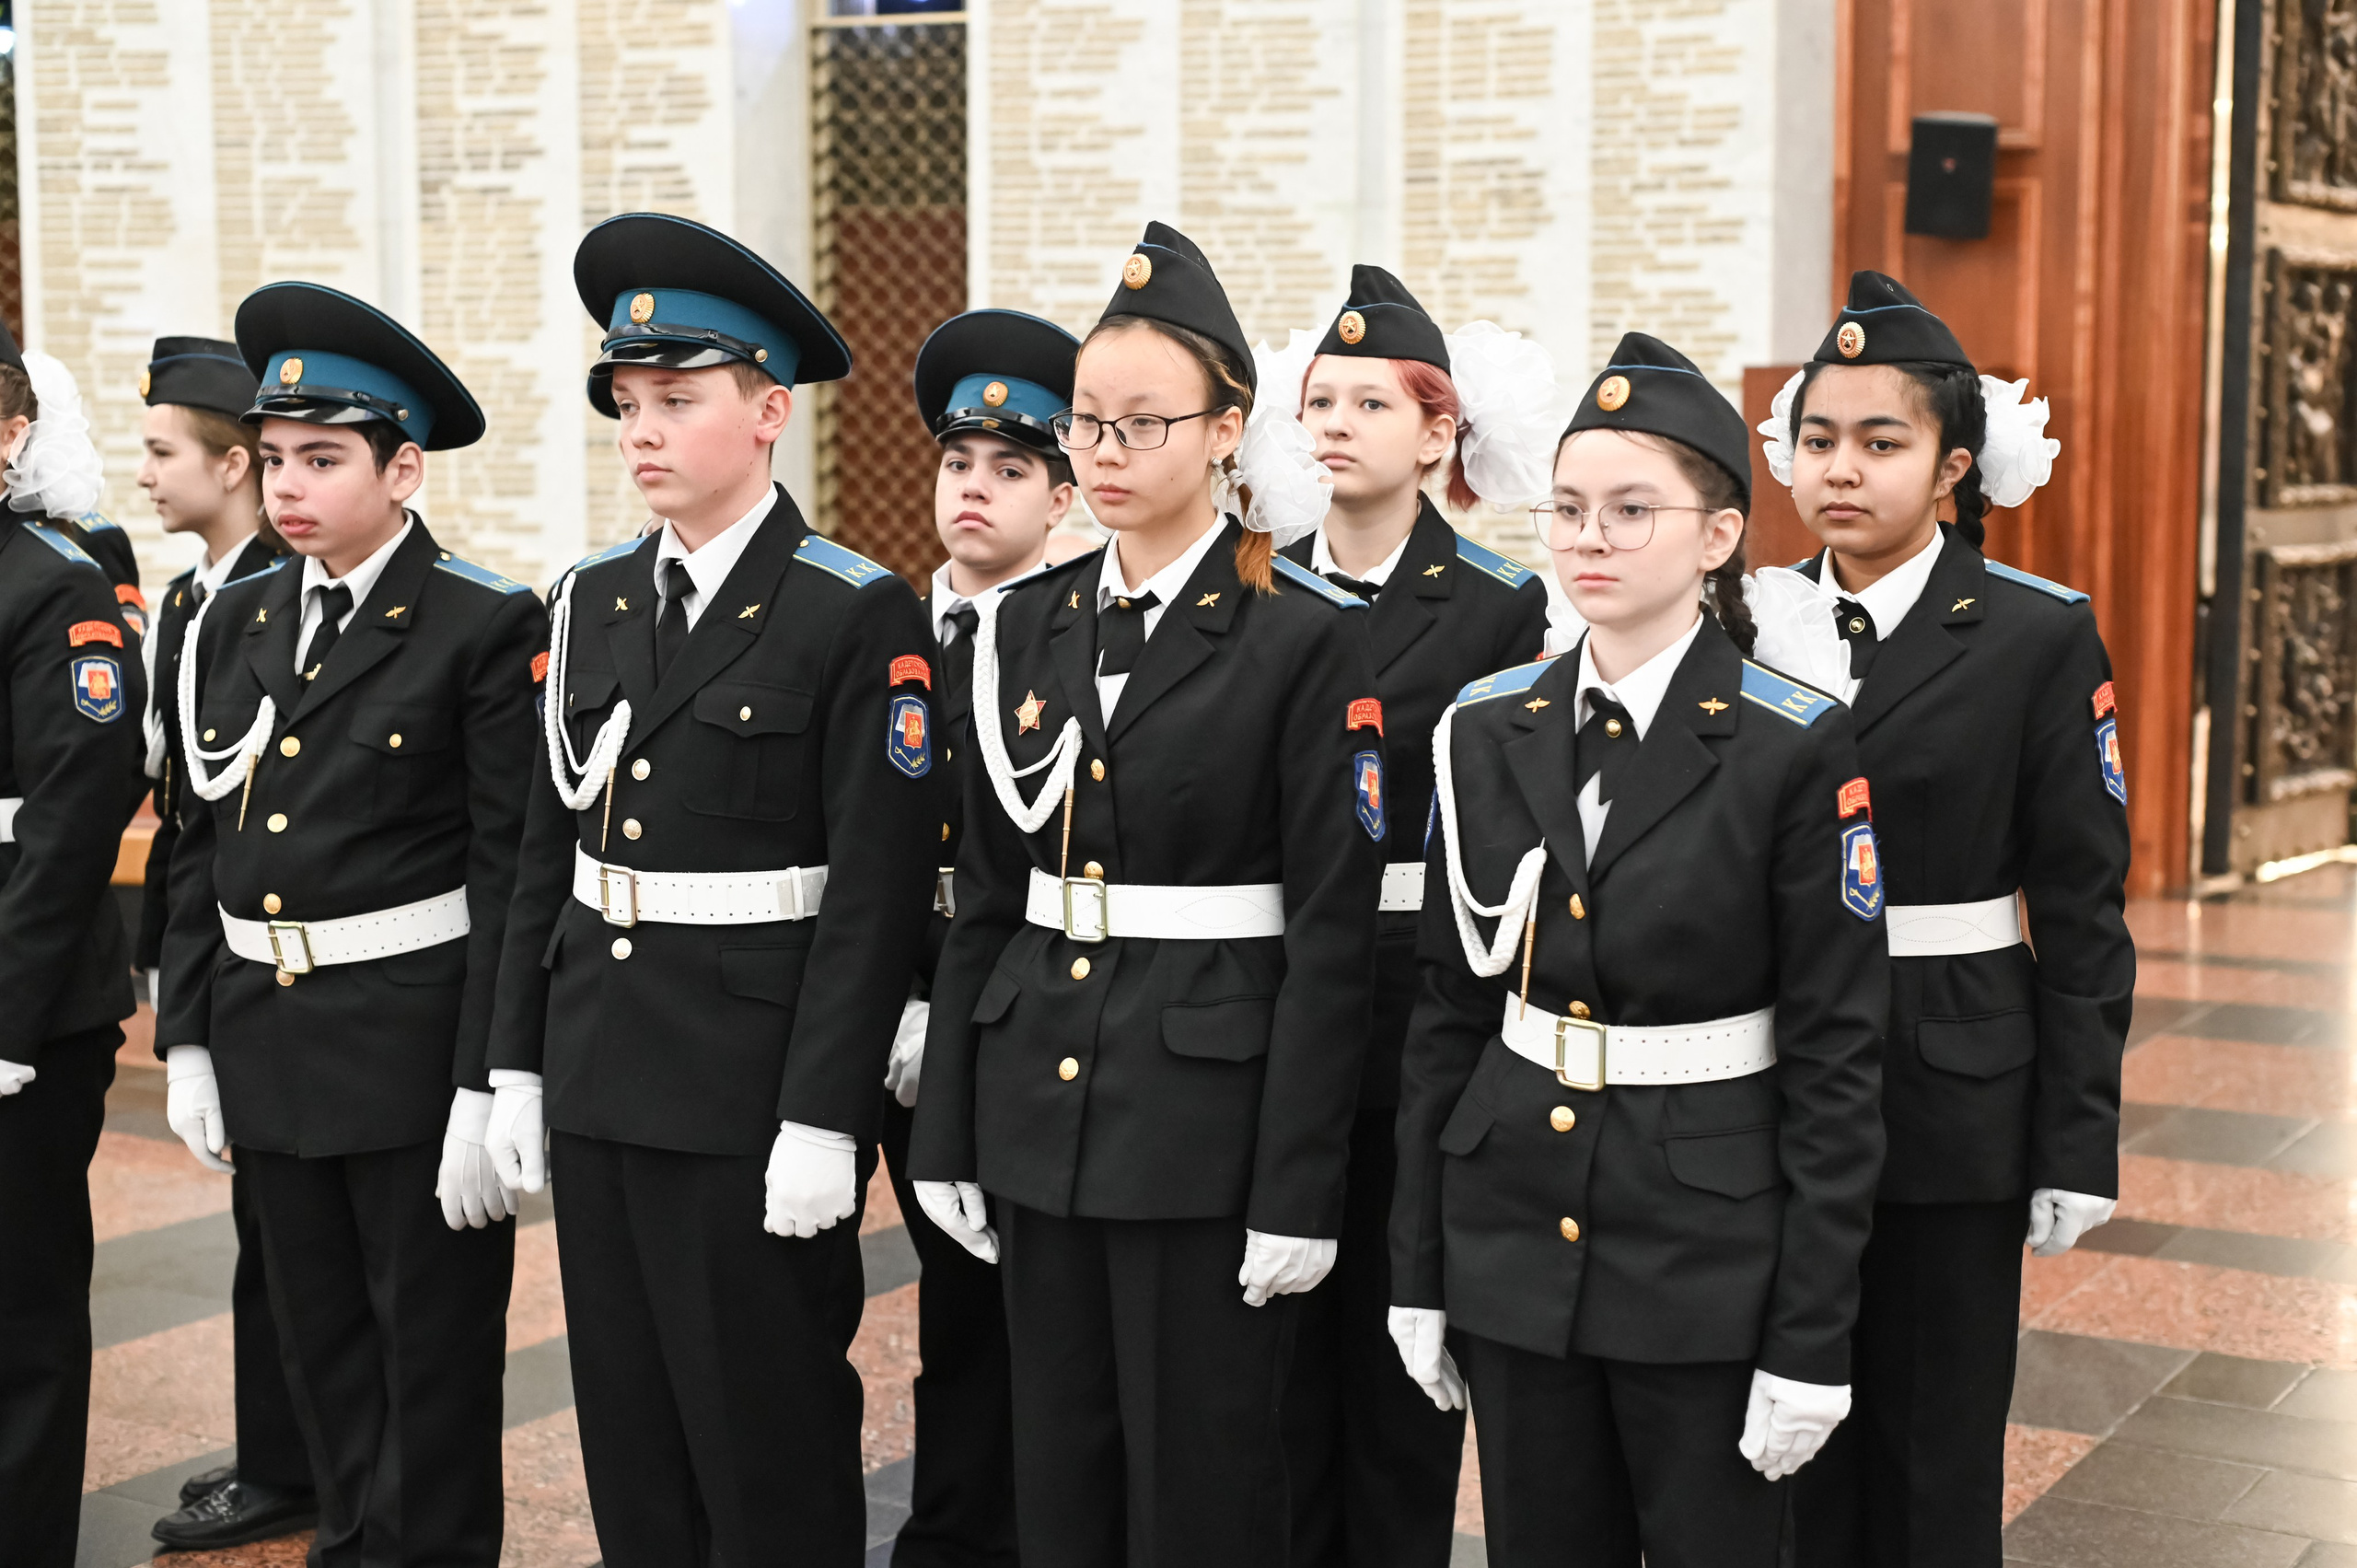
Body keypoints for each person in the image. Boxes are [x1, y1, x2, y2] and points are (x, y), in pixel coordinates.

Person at [906, 221, 1385, 1568]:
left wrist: (1300, 1187)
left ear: (1227, 431)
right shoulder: (1026, 624)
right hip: (1040, 1110)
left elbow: (1331, 939)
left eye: (1143, 425)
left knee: (1205, 1491)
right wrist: (950, 1127)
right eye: (1089, 425)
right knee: (1057, 1477)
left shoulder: (1303, 636)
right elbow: (989, 906)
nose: (1104, 454)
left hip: (1204, 1128)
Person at [482, 212, 941, 1568]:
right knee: (632, 1439)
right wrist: (512, 1063)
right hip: (608, 1068)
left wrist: (824, 1114)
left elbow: (875, 890)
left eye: (678, 400)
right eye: (628, 402)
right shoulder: (591, 599)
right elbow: (542, 855)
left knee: (765, 1440)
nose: (642, 430)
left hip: (750, 1088)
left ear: (768, 414)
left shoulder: (851, 610)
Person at [1389, 332, 1888, 1566]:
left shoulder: (1793, 749)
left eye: (1631, 510)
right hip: (1515, 1237)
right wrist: (1419, 1267)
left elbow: (1838, 1055)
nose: (1590, 538)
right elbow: (1450, 1014)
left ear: (1717, 537)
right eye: (1567, 509)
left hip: (1706, 1260)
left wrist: (1811, 1337)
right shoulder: (1489, 728)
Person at [157, 282, 542, 1567]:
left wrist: (490, 1084)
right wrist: (196, 1038)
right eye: (274, 461)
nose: (288, 489)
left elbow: (509, 870)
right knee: (316, 1350)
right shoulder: (239, 618)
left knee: (426, 1365)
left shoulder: (481, 623)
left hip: (410, 1049)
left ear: (406, 467)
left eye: (323, 460)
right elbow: (201, 838)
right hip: (272, 1037)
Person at [1754, 273, 2133, 1568]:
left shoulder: (2034, 635)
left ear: (1953, 462)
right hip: (1774, 1073)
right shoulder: (1742, 619)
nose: (1840, 470)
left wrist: (2077, 1136)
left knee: (1934, 1444)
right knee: (1784, 1441)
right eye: (1817, 440)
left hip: (1950, 1083)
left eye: (1880, 441)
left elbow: (2082, 906)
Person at [1270, 266, 1552, 1568]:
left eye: (1369, 403)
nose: (1332, 424)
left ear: (1438, 433)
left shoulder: (1501, 609)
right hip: (1273, 999)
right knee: (1272, 1356)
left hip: (1421, 995)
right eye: (1319, 400)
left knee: (1400, 1348)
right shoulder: (1259, 588)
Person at [884, 305, 1079, 1567]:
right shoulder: (884, 628)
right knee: (947, 1307)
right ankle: (950, 1539)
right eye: (962, 463)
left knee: (1029, 1310)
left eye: (1014, 470)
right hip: (890, 1010)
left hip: (1017, 1010)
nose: (978, 489)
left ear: (1065, 497)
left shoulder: (1074, 641)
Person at [129, 336, 310, 1551]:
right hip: (220, 954)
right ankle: (274, 1456)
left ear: (230, 463)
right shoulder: (198, 597)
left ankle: (291, 1464)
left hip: (295, 966)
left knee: (295, 1250)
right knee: (267, 1243)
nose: (142, 474)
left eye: (161, 451)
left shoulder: (277, 596)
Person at [0, 320, 149, 1568]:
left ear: (9, 432)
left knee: (19, 1318)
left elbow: (71, 811)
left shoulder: (54, 582)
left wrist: (3, 1014)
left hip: (23, 1008)